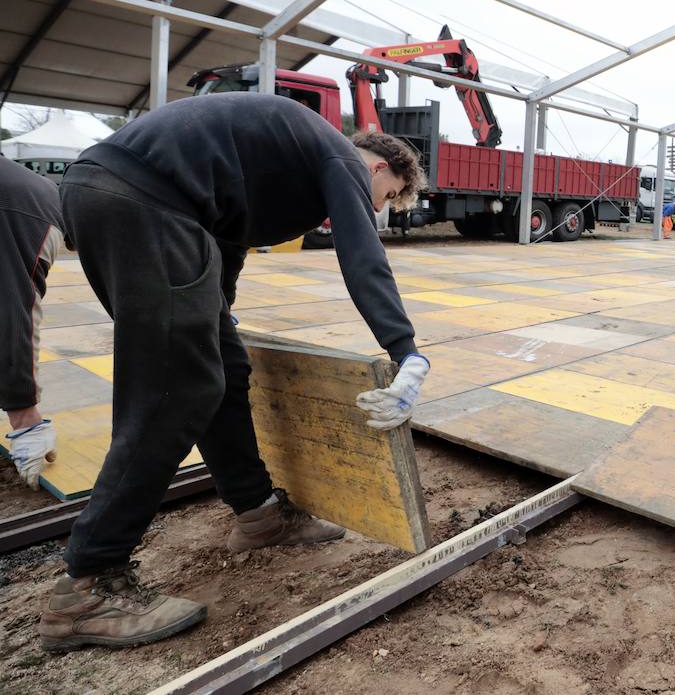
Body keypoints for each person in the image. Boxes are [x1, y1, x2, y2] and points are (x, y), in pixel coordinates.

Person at [40, 92, 432, 651]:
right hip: (145, 203)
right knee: (173, 392)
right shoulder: (341, 157)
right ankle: (88, 585)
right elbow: (361, 254)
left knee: (223, 366)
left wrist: (217, 310)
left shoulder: (283, 155)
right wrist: (406, 349)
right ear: (376, 166)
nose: (380, 209)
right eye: (388, 196)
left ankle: (259, 515)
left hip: (114, 195)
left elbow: (228, 236)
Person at [2, 156, 64, 489]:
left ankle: (29, 424)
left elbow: (11, 312)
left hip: (19, 207)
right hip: (27, 197)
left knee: (9, 304)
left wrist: (23, 415)